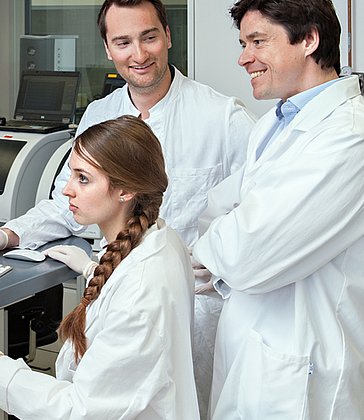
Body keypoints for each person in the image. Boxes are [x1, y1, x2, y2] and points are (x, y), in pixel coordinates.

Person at [0, 1, 254, 416]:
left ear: (168, 35)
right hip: (117, 295)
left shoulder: (222, 118)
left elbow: (263, 210)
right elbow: (69, 202)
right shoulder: (101, 114)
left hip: (194, 315)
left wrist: (223, 259)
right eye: (123, 42)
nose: (138, 54)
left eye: (149, 37)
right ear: (107, 48)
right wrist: (8, 234)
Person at [0, 115, 198, 419]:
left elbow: (78, 411)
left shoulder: (139, 294)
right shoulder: (162, 240)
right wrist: (95, 271)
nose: (67, 190)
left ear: (125, 190)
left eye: (83, 179)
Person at [192, 0, 364, 418]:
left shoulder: (349, 136)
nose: (243, 57)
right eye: (242, 43)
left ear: (309, 39)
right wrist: (228, 243)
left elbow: (245, 253)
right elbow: (215, 211)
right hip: (251, 347)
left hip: (303, 367)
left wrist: (224, 252)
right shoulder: (276, 121)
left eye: (257, 41)